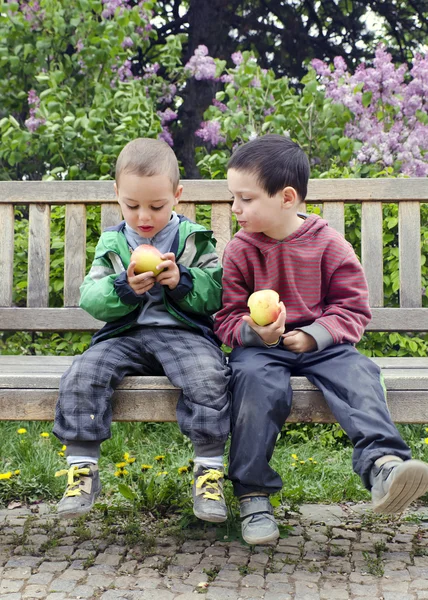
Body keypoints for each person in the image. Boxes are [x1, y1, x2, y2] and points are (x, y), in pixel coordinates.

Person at [214, 133, 428, 545]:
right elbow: (225, 317)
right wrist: (253, 332)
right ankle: (253, 495)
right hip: (261, 352)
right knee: (254, 384)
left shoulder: (328, 243)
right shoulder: (241, 249)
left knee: (360, 375)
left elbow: (353, 309)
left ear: (287, 197)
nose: (235, 208)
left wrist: (313, 336)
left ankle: (383, 466)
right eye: (233, 197)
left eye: (246, 199)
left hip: (324, 349)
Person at [53, 137, 230, 522]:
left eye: (156, 206)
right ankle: (82, 469)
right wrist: (122, 288)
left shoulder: (194, 239)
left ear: (177, 196)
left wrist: (183, 281)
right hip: (126, 335)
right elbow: (92, 296)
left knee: (209, 376)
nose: (144, 216)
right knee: (84, 373)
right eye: (132, 205)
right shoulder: (114, 242)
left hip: (183, 334)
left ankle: (209, 469)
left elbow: (217, 292)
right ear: (117, 194)